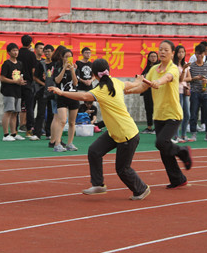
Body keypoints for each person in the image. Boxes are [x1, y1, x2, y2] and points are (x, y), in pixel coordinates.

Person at [48, 59, 150, 200]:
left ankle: (141, 189)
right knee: (94, 151)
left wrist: (61, 92)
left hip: (127, 134)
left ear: (94, 75)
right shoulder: (116, 82)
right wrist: (139, 80)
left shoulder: (101, 90)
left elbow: (83, 96)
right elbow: (132, 84)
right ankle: (98, 185)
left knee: (123, 169)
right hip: (115, 132)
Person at [126, 40, 192, 189]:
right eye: (160, 49)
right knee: (163, 150)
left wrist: (159, 82)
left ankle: (183, 151)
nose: (162, 52)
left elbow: (167, 77)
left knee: (161, 143)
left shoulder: (174, 68)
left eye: (166, 50)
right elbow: (142, 86)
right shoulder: (153, 69)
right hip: (159, 115)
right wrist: (128, 90)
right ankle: (178, 178)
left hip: (173, 114)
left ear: (172, 53)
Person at [50, 48, 79, 152]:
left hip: (74, 96)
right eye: (66, 57)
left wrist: (72, 70)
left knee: (72, 122)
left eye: (70, 57)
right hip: (62, 97)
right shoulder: (57, 67)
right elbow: (57, 80)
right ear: (62, 57)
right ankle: (57, 143)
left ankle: (70, 143)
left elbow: (75, 83)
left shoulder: (75, 68)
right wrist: (64, 68)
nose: (68, 59)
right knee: (62, 120)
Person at [188, 46, 207, 142]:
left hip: (206, 92)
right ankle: (193, 133)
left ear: (204, 54)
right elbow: (189, 79)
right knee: (194, 113)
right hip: (195, 92)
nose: (199, 56)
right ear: (195, 54)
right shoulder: (191, 66)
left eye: (201, 54)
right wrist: (196, 78)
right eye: (198, 54)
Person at [0, 43, 26, 141]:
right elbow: (2, 78)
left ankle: (14, 133)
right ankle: (6, 134)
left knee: (15, 113)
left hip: (17, 90)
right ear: (9, 52)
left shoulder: (20, 64)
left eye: (17, 50)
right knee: (8, 111)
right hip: (8, 91)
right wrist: (14, 81)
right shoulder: (6, 63)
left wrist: (21, 81)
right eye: (14, 50)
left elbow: (21, 75)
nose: (16, 52)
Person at [16, 35, 38, 140]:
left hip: (18, 82)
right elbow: (34, 70)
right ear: (30, 43)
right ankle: (29, 130)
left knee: (16, 107)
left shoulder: (17, 53)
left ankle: (14, 131)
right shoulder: (31, 55)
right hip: (28, 83)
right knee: (29, 107)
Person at [33, 44, 54, 140]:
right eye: (45, 51)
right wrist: (43, 84)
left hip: (53, 91)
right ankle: (37, 133)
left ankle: (49, 133)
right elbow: (35, 77)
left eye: (49, 51)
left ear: (53, 52)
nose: (47, 53)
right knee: (40, 112)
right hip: (43, 91)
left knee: (51, 112)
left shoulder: (56, 64)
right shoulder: (40, 64)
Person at [173, 45, 191, 142]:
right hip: (177, 91)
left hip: (184, 90)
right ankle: (176, 135)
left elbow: (189, 78)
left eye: (183, 52)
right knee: (178, 114)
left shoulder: (185, 64)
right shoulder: (174, 66)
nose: (181, 54)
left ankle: (183, 135)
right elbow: (179, 79)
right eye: (179, 52)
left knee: (187, 114)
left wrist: (184, 78)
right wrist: (183, 70)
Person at [140, 51, 159, 134]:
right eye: (151, 56)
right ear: (148, 58)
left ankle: (156, 127)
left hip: (155, 91)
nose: (153, 58)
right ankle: (149, 126)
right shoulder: (147, 67)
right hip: (147, 91)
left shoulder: (158, 67)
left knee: (155, 109)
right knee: (148, 108)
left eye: (155, 56)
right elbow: (142, 76)